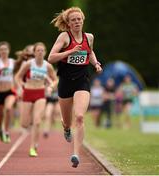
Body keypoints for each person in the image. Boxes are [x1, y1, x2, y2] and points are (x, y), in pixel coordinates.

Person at [48, 7, 102, 167]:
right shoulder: (64, 37)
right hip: (65, 81)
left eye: (79, 19)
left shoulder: (89, 37)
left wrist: (96, 63)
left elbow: (90, 52)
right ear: (69, 23)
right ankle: (66, 128)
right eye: (73, 20)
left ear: (83, 20)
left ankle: (76, 154)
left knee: (79, 117)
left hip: (82, 81)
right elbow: (51, 58)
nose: (77, 22)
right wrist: (69, 52)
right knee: (67, 121)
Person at [15, 42, 58, 157]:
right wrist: (21, 87)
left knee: (37, 121)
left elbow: (55, 80)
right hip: (28, 93)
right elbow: (18, 77)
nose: (40, 52)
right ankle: (28, 128)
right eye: (38, 50)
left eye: (42, 50)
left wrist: (50, 87)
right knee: (24, 124)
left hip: (40, 93)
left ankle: (33, 147)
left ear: (45, 52)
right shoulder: (29, 64)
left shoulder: (48, 66)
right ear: (34, 52)